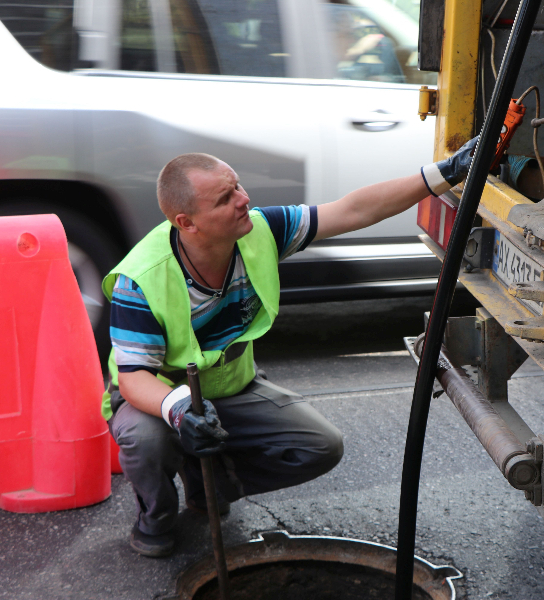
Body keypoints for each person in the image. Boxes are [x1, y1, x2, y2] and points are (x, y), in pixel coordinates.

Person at [102, 137, 478, 557]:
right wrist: (179, 411)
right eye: (226, 198)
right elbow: (135, 378)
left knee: (320, 445)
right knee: (145, 438)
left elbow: (353, 210)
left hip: (232, 389)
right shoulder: (141, 279)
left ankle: (208, 481)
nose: (245, 200)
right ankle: (157, 517)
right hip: (160, 399)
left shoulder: (259, 230)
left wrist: (444, 173)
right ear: (187, 222)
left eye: (238, 186)